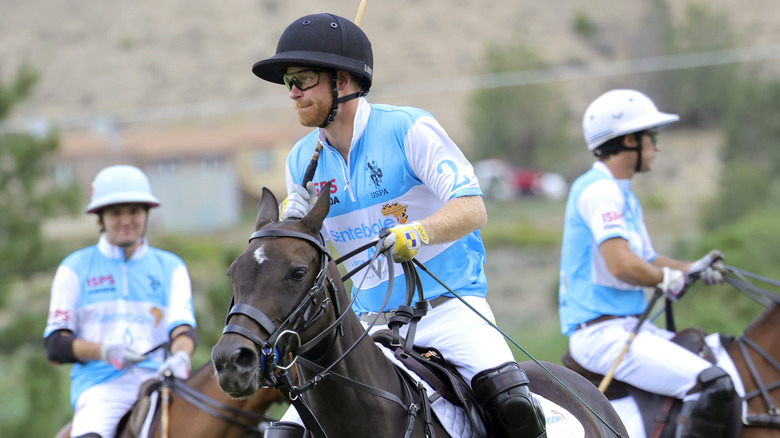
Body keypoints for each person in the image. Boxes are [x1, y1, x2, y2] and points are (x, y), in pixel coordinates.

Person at [251, 12, 546, 438]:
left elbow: (472, 207)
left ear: (343, 80)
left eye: (303, 79)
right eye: (288, 83)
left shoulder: (409, 129)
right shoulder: (302, 160)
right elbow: (303, 259)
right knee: (283, 435)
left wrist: (420, 232)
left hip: (449, 309)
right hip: (365, 327)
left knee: (513, 406)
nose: (293, 92)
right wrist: (293, 225)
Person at [558, 89, 737, 438]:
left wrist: (694, 268)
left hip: (627, 326)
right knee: (710, 384)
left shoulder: (624, 196)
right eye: (652, 137)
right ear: (629, 141)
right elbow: (622, 265)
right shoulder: (598, 190)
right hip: (601, 334)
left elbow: (649, 260)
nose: (657, 146)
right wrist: (665, 277)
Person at [43, 164, 197, 438]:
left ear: (146, 213)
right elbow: (56, 344)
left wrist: (182, 356)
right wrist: (104, 351)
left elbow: (183, 330)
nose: (126, 220)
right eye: (116, 213)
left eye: (134, 211)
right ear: (100, 219)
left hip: (160, 381)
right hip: (102, 386)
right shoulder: (74, 267)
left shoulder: (171, 266)